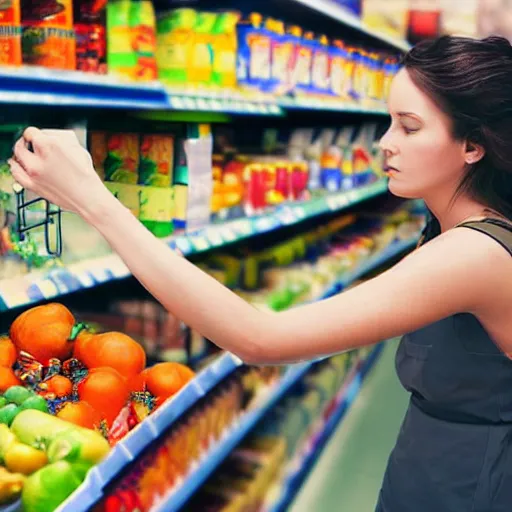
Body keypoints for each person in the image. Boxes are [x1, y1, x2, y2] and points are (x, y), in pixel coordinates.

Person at [7, 35, 512, 511]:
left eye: (409, 126)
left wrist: (95, 201)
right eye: (388, 122)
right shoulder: (446, 229)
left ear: (472, 145)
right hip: (434, 471)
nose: (384, 143)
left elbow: (261, 339)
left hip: (472, 486)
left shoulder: (475, 253)